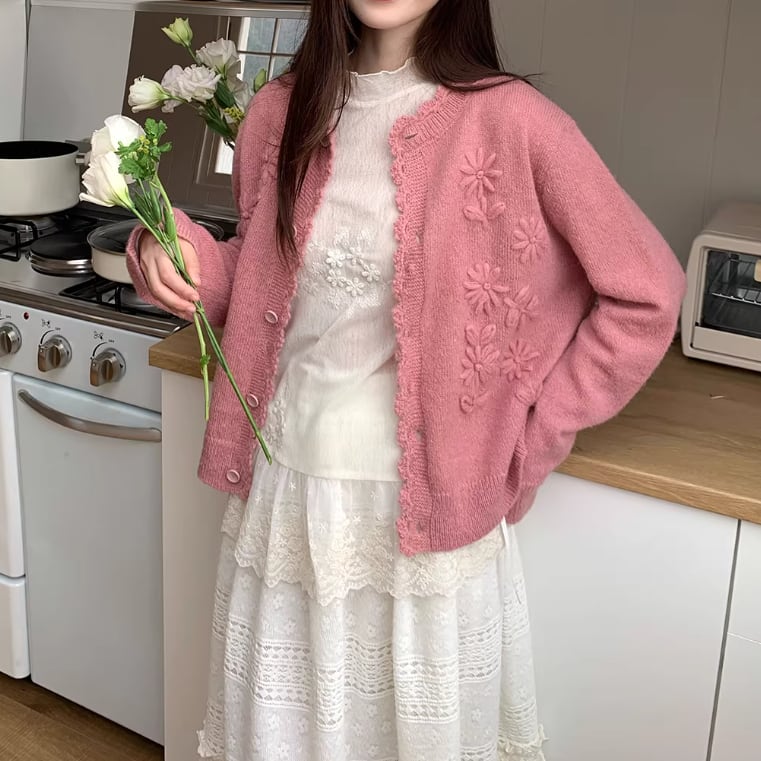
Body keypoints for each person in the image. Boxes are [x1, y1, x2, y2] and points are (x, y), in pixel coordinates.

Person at [127, 0, 687, 758]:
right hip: (285, 499)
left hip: (420, 528)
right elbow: (262, 286)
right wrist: (170, 248)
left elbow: (647, 293)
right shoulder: (279, 112)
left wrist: (532, 440)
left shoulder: (511, 120)